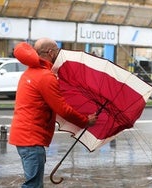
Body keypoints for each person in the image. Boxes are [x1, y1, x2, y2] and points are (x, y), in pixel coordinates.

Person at [9, 38, 98, 188]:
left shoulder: (29, 73)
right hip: (32, 139)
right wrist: (85, 121)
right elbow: (62, 109)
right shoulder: (45, 77)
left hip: (24, 137)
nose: (58, 54)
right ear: (50, 53)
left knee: (33, 183)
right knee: (33, 185)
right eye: (57, 51)